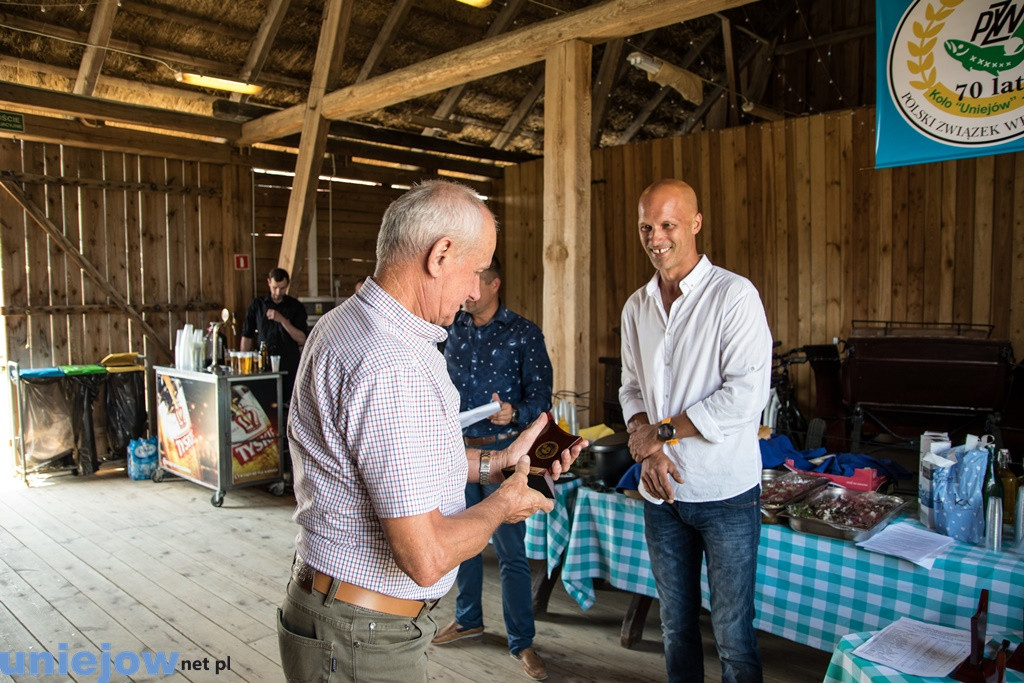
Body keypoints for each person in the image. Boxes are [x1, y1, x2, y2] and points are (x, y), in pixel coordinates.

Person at [278, 180, 586, 683]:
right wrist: (505, 503)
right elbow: (427, 557)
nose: (474, 289)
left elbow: (396, 461)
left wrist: (497, 462)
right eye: (477, 269)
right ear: (440, 254)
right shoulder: (389, 363)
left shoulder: (350, 324)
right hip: (363, 637)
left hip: (347, 618)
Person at [618, 179, 772, 683]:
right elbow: (631, 389)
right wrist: (649, 451)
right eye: (646, 227)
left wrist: (661, 434)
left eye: (668, 225)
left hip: (725, 493)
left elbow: (746, 396)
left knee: (732, 636)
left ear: (696, 224)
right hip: (661, 494)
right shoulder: (636, 307)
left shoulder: (733, 295)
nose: (655, 237)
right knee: (676, 628)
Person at [432, 256, 553, 681]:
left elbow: (542, 401)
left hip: (506, 457)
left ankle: (522, 642)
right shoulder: (450, 331)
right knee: (460, 543)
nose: (467, 291)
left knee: (510, 554)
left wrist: (514, 413)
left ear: (495, 283)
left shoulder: (523, 333)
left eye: (475, 282)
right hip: (455, 454)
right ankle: (468, 619)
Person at [240, 267, 308, 401]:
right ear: (269, 282)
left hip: (289, 365)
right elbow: (246, 335)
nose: (278, 292)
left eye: (282, 288)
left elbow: (302, 338)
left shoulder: (295, 307)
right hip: (264, 365)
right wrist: (243, 362)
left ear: (287, 285)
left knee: (288, 404)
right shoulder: (257, 305)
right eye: (275, 287)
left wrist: (282, 320)